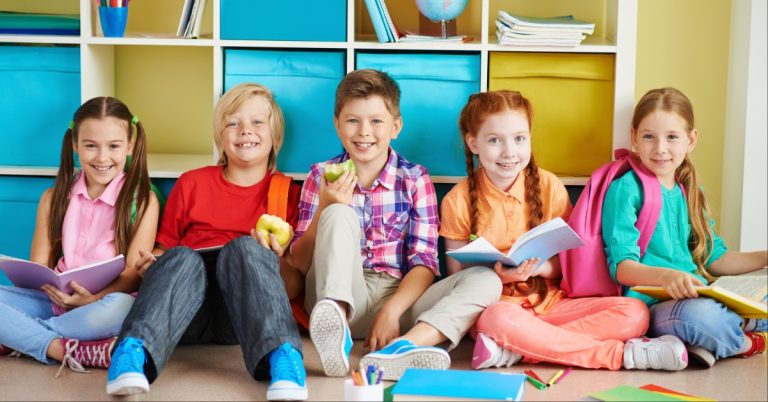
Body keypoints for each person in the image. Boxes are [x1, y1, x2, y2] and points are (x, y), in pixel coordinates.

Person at [444, 90, 689, 372]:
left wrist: (541, 269)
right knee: (497, 320)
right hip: (500, 308)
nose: (509, 151)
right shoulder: (457, 200)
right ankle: (620, 356)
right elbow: (457, 280)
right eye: (494, 140)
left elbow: (570, 263)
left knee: (634, 313)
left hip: (554, 304)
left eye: (519, 138)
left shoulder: (549, 187)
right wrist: (500, 277)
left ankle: (519, 348)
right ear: (473, 142)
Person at [286, 69, 502, 381]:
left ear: (395, 126)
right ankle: (337, 330)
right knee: (338, 214)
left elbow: (425, 262)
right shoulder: (320, 175)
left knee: (486, 280)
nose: (364, 132)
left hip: (399, 300)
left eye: (376, 121)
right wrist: (325, 207)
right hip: (338, 295)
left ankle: (399, 350)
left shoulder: (415, 179)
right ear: (336, 124)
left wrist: (392, 312)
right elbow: (300, 264)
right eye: (352, 120)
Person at [105, 83, 308, 401]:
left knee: (245, 248)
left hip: (242, 316)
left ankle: (284, 357)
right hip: (183, 309)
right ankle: (132, 353)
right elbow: (165, 247)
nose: (245, 131)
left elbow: (293, 289)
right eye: (233, 123)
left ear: (275, 136)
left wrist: (274, 258)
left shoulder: (287, 194)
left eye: (257, 122)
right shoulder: (192, 183)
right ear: (220, 136)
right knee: (183, 256)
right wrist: (153, 264)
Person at [602, 87, 768, 367]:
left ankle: (711, 340)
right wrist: (667, 277)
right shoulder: (626, 190)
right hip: (655, 305)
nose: (660, 149)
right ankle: (746, 340)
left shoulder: (689, 189)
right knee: (703, 318)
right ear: (634, 138)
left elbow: (715, 259)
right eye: (648, 137)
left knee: (720, 307)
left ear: (690, 140)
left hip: (699, 292)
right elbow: (622, 268)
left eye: (672, 137)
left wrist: (765, 257)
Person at [0, 97, 160, 376]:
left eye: (114, 146)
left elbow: (133, 273)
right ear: (75, 145)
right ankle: (61, 347)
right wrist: (48, 286)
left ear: (130, 146)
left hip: (104, 303)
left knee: (124, 309)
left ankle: (19, 338)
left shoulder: (144, 200)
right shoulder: (53, 198)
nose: (102, 157)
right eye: (90, 146)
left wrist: (92, 299)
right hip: (51, 302)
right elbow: (39, 265)